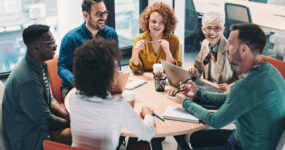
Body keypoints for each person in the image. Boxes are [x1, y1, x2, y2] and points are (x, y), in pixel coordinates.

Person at [168, 24, 285, 150]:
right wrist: (197, 94)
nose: (226, 48)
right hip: (256, 140)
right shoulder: (270, 71)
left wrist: (185, 102)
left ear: (244, 49)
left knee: (188, 140)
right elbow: (231, 97)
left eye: (230, 43)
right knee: (196, 138)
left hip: (243, 146)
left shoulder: (247, 86)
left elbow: (215, 121)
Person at [69, 37, 155, 150]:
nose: (119, 72)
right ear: (105, 74)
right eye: (115, 67)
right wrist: (148, 115)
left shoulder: (73, 98)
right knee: (144, 145)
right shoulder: (117, 106)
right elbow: (147, 133)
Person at [2, 24, 71, 150]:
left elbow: (49, 98)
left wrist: (67, 115)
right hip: (29, 139)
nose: (55, 46)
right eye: (51, 42)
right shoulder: (27, 80)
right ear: (36, 47)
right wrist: (72, 123)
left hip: (37, 125)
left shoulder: (39, 65)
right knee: (82, 134)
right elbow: (45, 121)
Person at [58, 0, 118, 99]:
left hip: (102, 86)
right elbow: (62, 68)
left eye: (105, 13)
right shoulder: (70, 38)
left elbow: (115, 61)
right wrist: (77, 81)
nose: (104, 18)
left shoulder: (111, 34)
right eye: (99, 14)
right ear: (86, 15)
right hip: (74, 88)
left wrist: (116, 71)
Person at [188, 11, 241, 93]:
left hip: (225, 94)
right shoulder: (205, 44)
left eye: (217, 28)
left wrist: (230, 86)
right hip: (208, 90)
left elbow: (246, 78)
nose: (212, 32)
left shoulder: (231, 49)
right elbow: (197, 69)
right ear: (203, 29)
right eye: (209, 28)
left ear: (223, 29)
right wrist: (193, 71)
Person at [129, 2, 182, 72]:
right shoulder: (138, 39)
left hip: (165, 80)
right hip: (146, 80)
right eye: (153, 21)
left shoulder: (174, 40)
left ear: (167, 24)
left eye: (162, 22)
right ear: (147, 21)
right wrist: (136, 52)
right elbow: (135, 69)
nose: (157, 25)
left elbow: (175, 69)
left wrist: (167, 52)